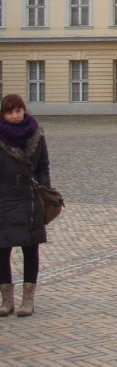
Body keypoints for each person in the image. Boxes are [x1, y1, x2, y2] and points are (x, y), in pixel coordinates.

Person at [0, 94, 50, 317]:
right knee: (2, 249)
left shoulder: (36, 133)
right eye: (10, 112)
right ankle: (6, 300)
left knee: (30, 249)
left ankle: (28, 299)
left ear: (24, 110)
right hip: (3, 199)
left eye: (18, 110)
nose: (15, 115)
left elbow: (43, 166)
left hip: (29, 198)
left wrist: (44, 190)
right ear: (3, 114)